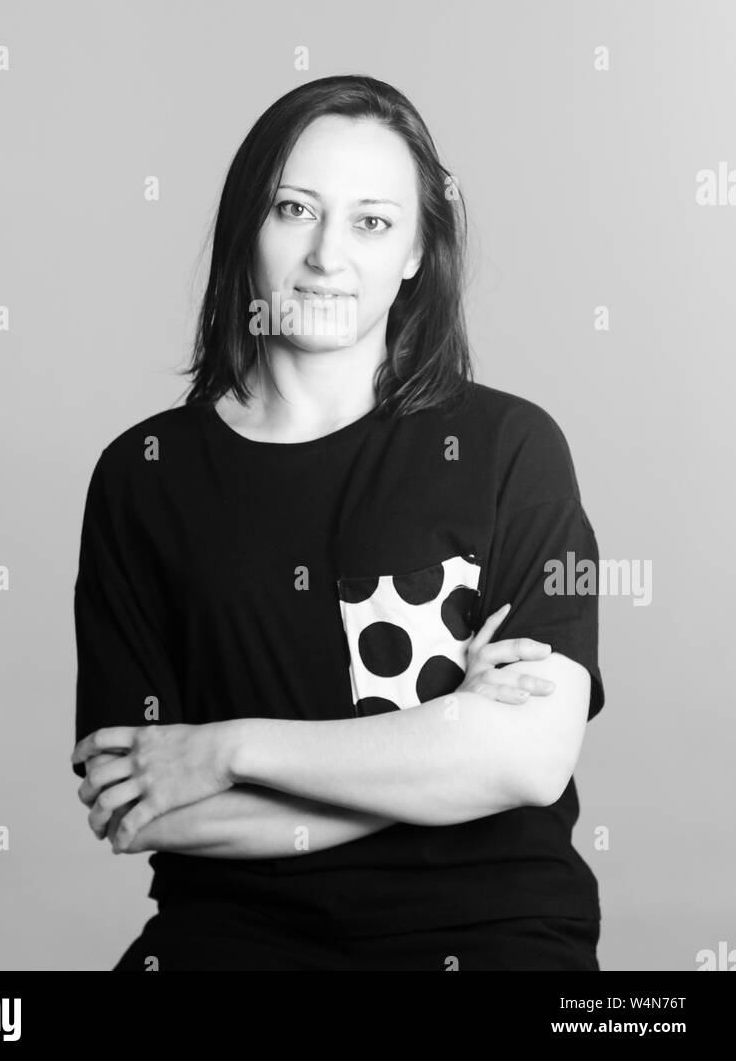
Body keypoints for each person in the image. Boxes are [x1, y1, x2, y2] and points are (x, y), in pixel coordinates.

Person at [69, 74, 605, 972]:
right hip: (232, 938)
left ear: (414, 255)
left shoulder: (512, 447)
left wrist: (228, 750)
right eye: (294, 209)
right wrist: (442, 748)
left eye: (371, 221)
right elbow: (141, 805)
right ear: (248, 226)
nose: (326, 256)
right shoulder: (142, 477)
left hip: (491, 932)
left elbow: (527, 764)